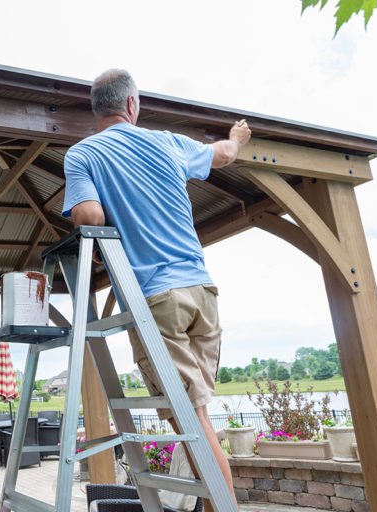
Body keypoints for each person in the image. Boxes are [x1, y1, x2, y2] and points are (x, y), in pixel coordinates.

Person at [62, 69, 251, 512]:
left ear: (99, 109)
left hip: (157, 300)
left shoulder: (82, 154)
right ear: (132, 105)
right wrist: (238, 138)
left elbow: (88, 218)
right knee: (199, 413)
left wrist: (96, 232)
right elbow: (223, 154)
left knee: (194, 418)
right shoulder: (167, 142)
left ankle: (228, 508)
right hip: (202, 293)